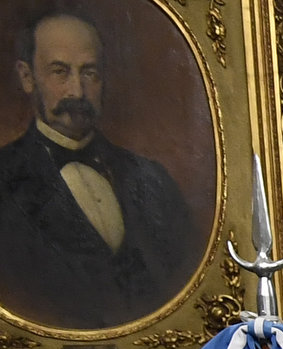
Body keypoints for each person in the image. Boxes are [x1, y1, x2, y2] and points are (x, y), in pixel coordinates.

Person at [0, 8, 201, 328]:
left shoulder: (153, 180)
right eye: (59, 72)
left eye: (89, 73)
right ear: (27, 77)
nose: (76, 92)